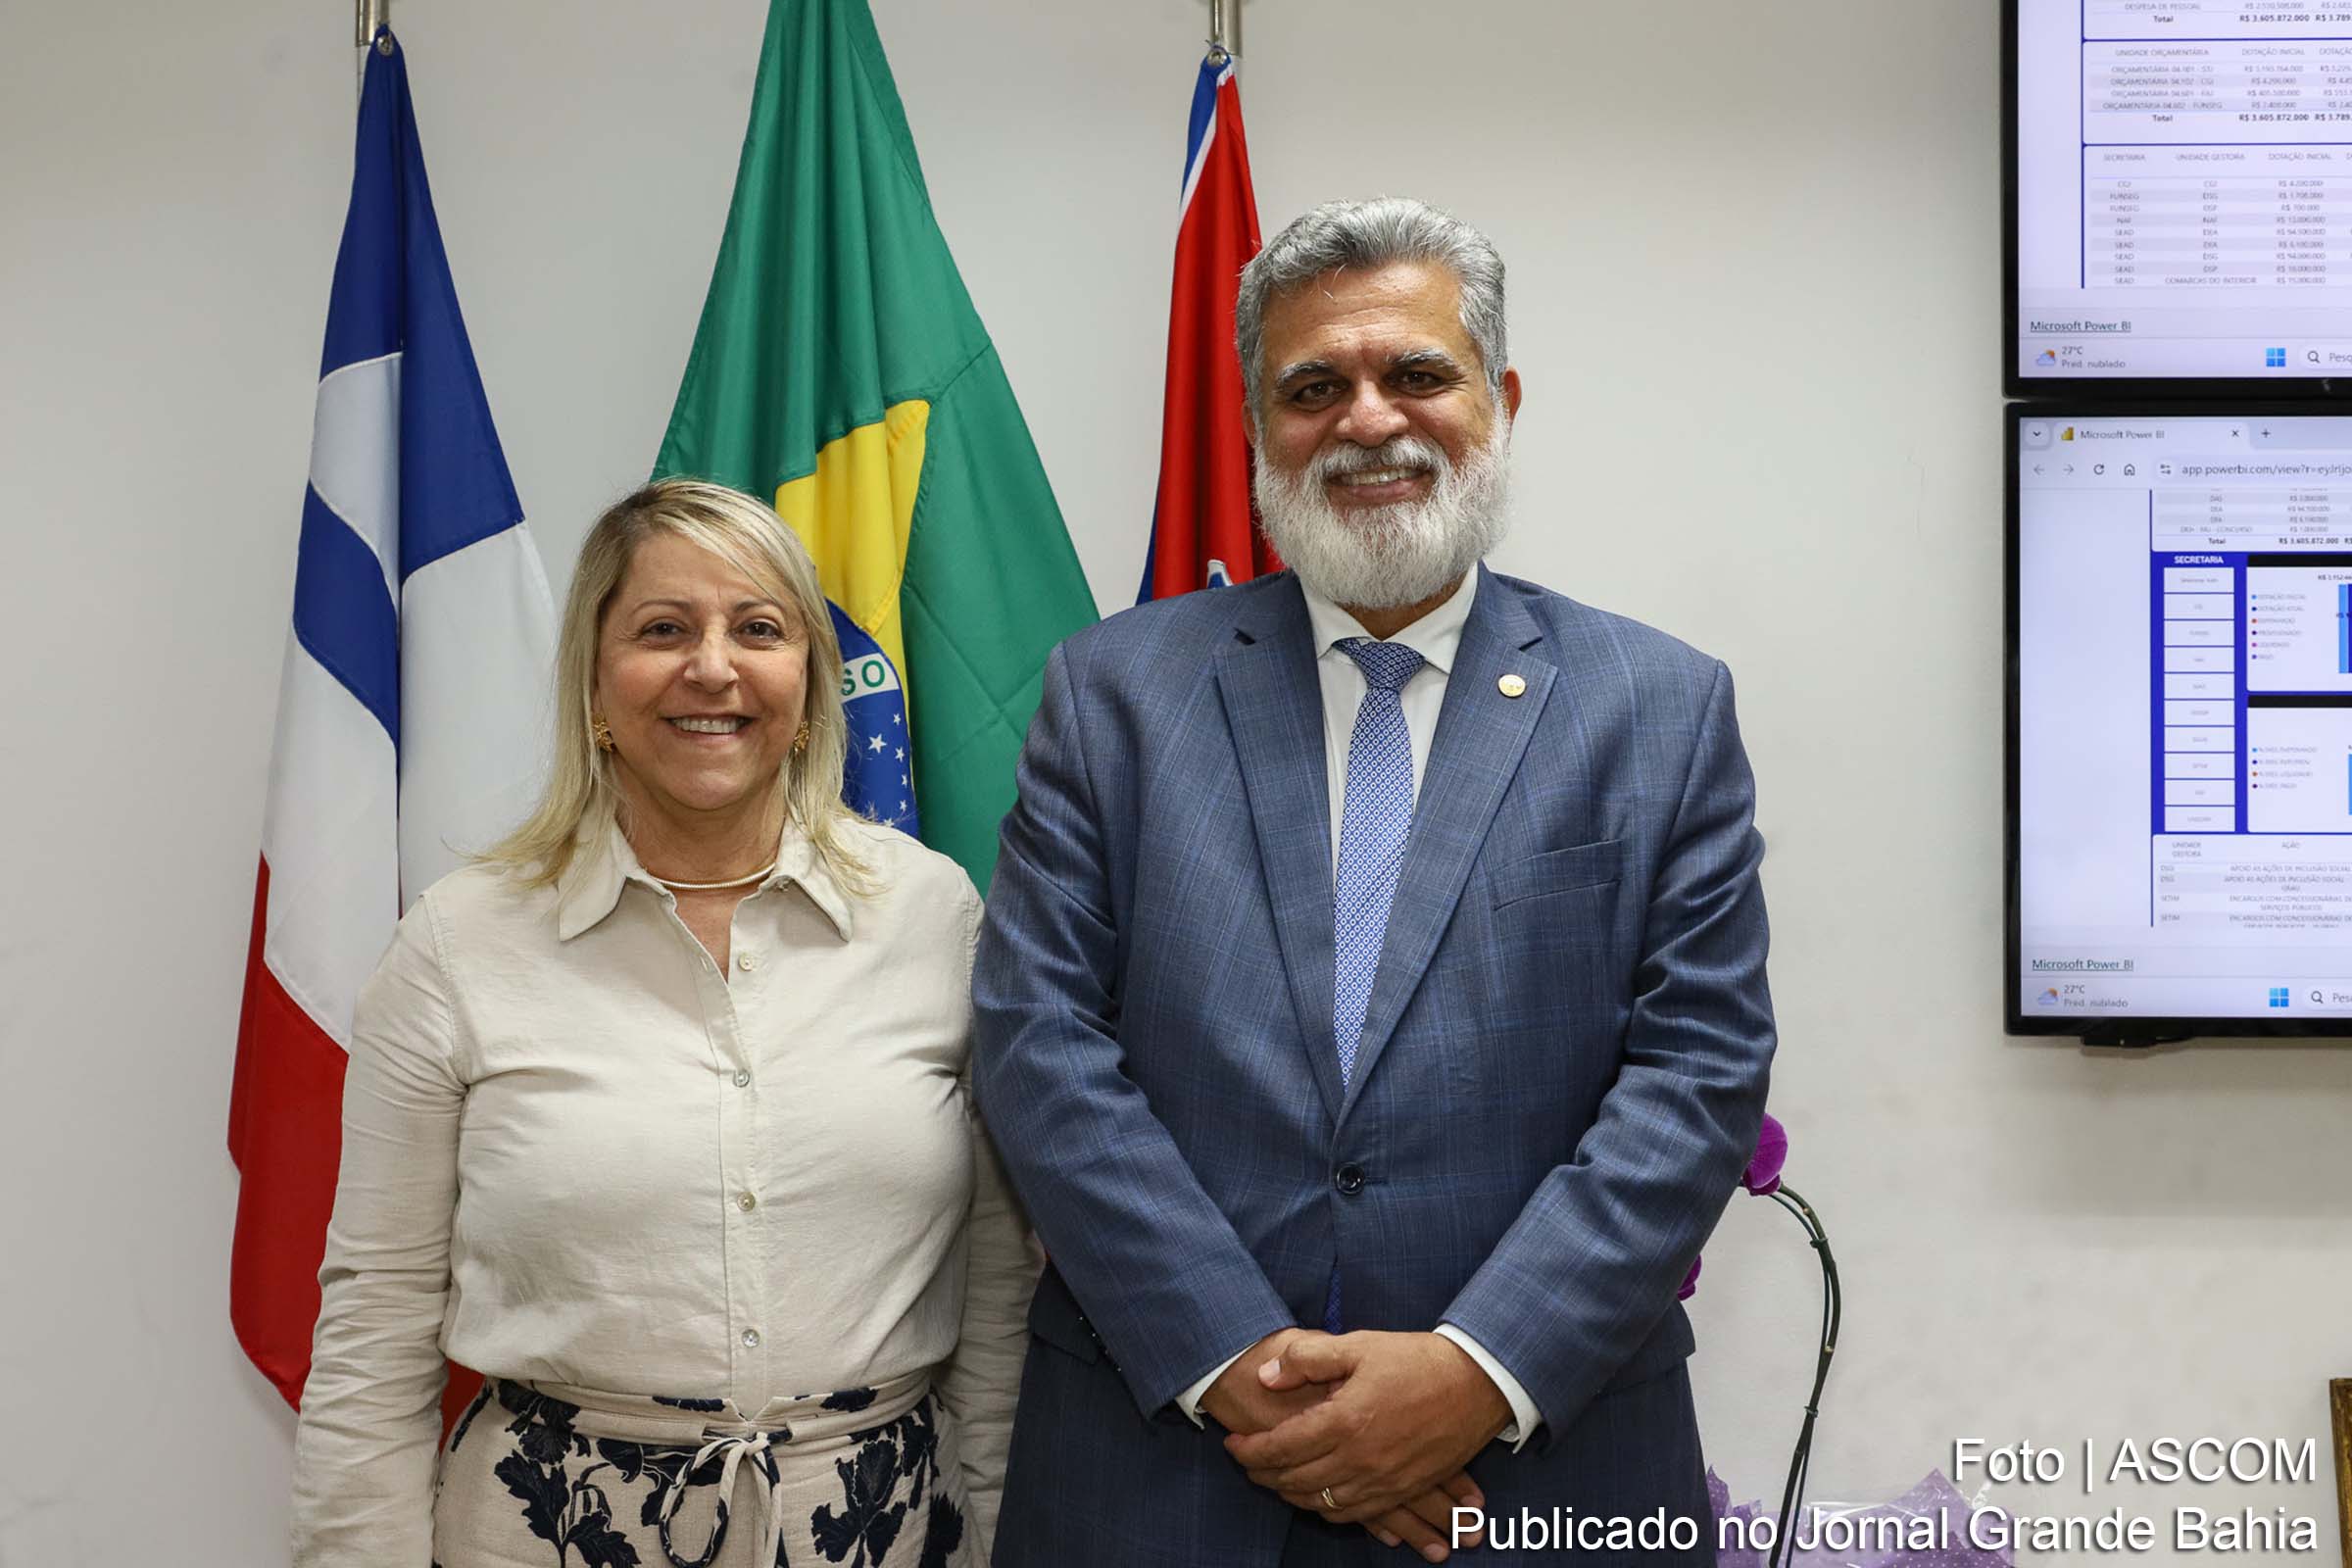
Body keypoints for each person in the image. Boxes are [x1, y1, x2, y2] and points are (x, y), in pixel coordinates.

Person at [972, 198, 1775, 1566]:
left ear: (1500, 398)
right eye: (1312, 386)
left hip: (1541, 1479)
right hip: (1162, 1474)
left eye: (1416, 373)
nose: (1366, 419)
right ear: (1253, 427)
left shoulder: (1661, 707)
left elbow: (1696, 1074)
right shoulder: (1111, 694)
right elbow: (1039, 1046)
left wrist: (1473, 1374)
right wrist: (1238, 1365)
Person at [289, 479, 1035, 1567]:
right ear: (595, 687)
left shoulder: (934, 918)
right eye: (663, 629)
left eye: (761, 629)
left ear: (812, 688)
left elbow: (997, 1287)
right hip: (544, 1531)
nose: (714, 667)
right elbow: (377, 1321)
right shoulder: (459, 945)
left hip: (883, 1528)